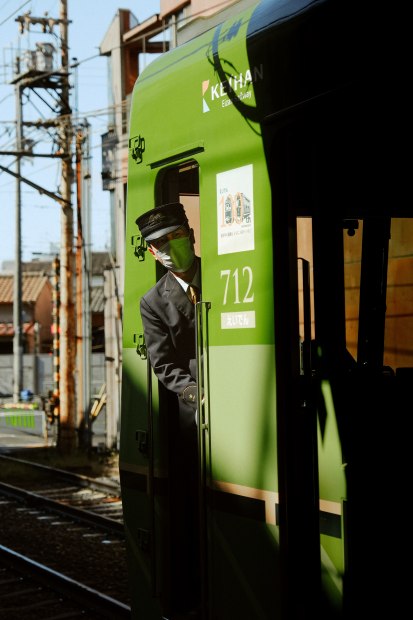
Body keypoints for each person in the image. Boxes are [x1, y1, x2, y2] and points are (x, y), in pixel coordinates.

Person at [135, 202, 201, 620]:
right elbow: (164, 366)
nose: (169, 248)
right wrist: (197, 394)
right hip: (195, 418)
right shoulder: (153, 302)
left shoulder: (226, 276)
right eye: (160, 244)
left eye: (175, 237)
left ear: (190, 235)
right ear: (153, 253)